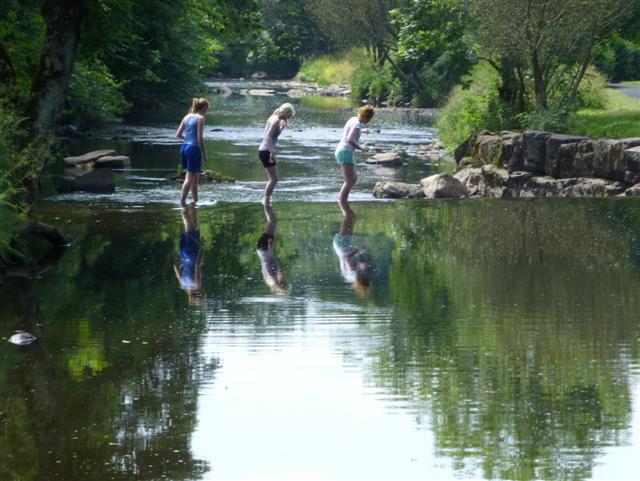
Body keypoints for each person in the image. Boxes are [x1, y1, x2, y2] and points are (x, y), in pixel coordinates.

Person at [334, 105, 375, 204]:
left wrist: (362, 131)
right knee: (349, 181)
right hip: (345, 151)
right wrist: (361, 148)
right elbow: (350, 140)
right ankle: (342, 202)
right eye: (369, 118)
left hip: (342, 150)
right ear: (366, 117)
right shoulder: (357, 125)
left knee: (353, 179)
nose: (369, 121)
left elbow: (350, 131)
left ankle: (343, 201)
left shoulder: (353, 119)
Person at [258, 103, 296, 205]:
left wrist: (283, 126)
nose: (289, 118)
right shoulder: (275, 120)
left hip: (264, 150)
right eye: (289, 116)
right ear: (286, 113)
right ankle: (266, 200)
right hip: (266, 151)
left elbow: (273, 135)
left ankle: (266, 199)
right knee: (274, 179)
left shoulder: (274, 118)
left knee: (273, 179)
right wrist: (272, 152)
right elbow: (268, 137)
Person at [176, 97, 210, 206]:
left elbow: (178, 135)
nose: (207, 111)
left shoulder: (186, 117)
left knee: (195, 176)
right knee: (190, 177)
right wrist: (204, 154)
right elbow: (200, 138)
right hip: (193, 149)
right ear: (204, 107)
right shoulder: (200, 118)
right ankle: (182, 201)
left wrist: (188, 139)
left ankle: (195, 200)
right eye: (207, 109)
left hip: (184, 147)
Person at [333, 201, 371, 296]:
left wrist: (360, 250)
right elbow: (350, 264)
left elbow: (348, 258)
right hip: (342, 245)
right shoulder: (351, 277)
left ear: (363, 281)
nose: (367, 277)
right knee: (353, 218)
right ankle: (342, 199)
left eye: (366, 279)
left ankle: (341, 199)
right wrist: (361, 266)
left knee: (349, 216)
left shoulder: (353, 273)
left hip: (343, 244)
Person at [173, 206, 205, 303]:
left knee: (189, 225)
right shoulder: (183, 284)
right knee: (194, 226)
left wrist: (202, 249)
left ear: (200, 292)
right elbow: (176, 266)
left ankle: (182, 206)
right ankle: (193, 205)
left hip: (192, 252)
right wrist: (184, 262)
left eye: (203, 293)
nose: (204, 290)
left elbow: (197, 265)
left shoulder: (197, 285)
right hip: (184, 254)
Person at [256, 204, 289, 294]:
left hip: (264, 248)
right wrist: (280, 272)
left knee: (272, 221)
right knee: (273, 222)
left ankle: (266, 202)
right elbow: (275, 267)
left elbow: (266, 265)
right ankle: (267, 204)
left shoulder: (273, 282)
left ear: (282, 286)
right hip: (264, 249)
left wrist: (270, 248)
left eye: (285, 284)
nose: (286, 282)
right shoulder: (274, 282)